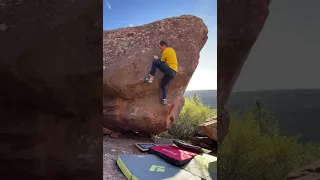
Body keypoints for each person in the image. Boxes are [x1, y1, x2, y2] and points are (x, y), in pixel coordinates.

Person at [144, 40, 178, 105]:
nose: (160, 50)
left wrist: (156, 58)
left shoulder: (165, 51)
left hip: (170, 70)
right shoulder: (171, 50)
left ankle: (151, 79)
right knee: (162, 85)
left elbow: (161, 61)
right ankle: (164, 100)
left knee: (155, 62)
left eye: (160, 48)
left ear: (164, 46)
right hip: (173, 73)